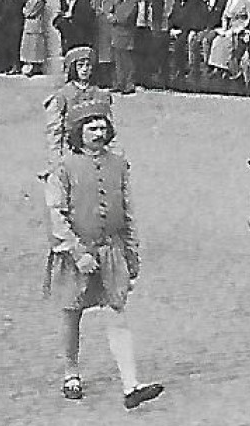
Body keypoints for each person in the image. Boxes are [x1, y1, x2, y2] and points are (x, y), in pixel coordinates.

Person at [44, 98, 164, 409]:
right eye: (90, 127)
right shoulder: (63, 168)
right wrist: (75, 251)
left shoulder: (119, 164)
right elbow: (56, 214)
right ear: (77, 132)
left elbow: (128, 212)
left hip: (112, 250)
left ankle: (131, 384)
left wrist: (132, 255)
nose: (98, 132)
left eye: (102, 126)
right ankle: (71, 372)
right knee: (72, 313)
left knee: (117, 312)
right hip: (76, 254)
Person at [43, 46, 112, 172]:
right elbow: (54, 132)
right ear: (73, 69)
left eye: (88, 65)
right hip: (71, 151)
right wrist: (56, 162)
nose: (84, 69)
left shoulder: (101, 95)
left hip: (96, 151)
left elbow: (110, 130)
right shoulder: (62, 95)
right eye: (80, 66)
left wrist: (113, 158)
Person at [19, 0, 47, 76]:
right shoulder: (37, 0)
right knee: (32, 47)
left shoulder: (36, 0)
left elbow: (27, 12)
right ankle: (33, 65)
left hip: (33, 26)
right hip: (33, 26)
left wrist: (24, 9)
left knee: (33, 47)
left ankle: (33, 66)